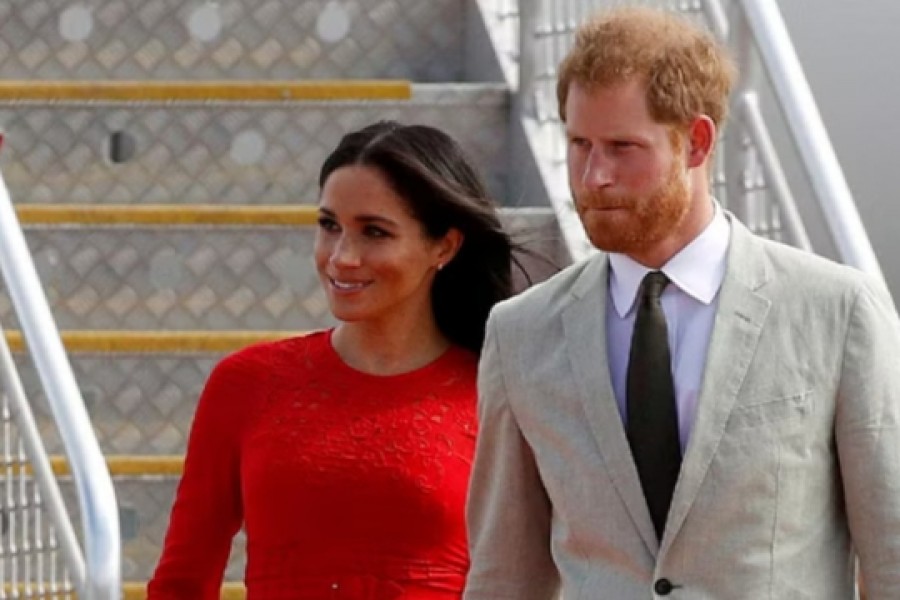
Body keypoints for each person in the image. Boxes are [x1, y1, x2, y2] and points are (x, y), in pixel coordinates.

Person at [464, 7, 900, 599]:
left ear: (696, 142)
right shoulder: (520, 333)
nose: (594, 176)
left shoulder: (836, 310)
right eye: (578, 144)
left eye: (622, 147)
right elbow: (503, 577)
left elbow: (893, 553)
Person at [148, 120, 521, 599]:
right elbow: (182, 582)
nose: (342, 256)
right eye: (329, 226)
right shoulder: (245, 383)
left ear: (443, 246)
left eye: (375, 232)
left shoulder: (498, 392)